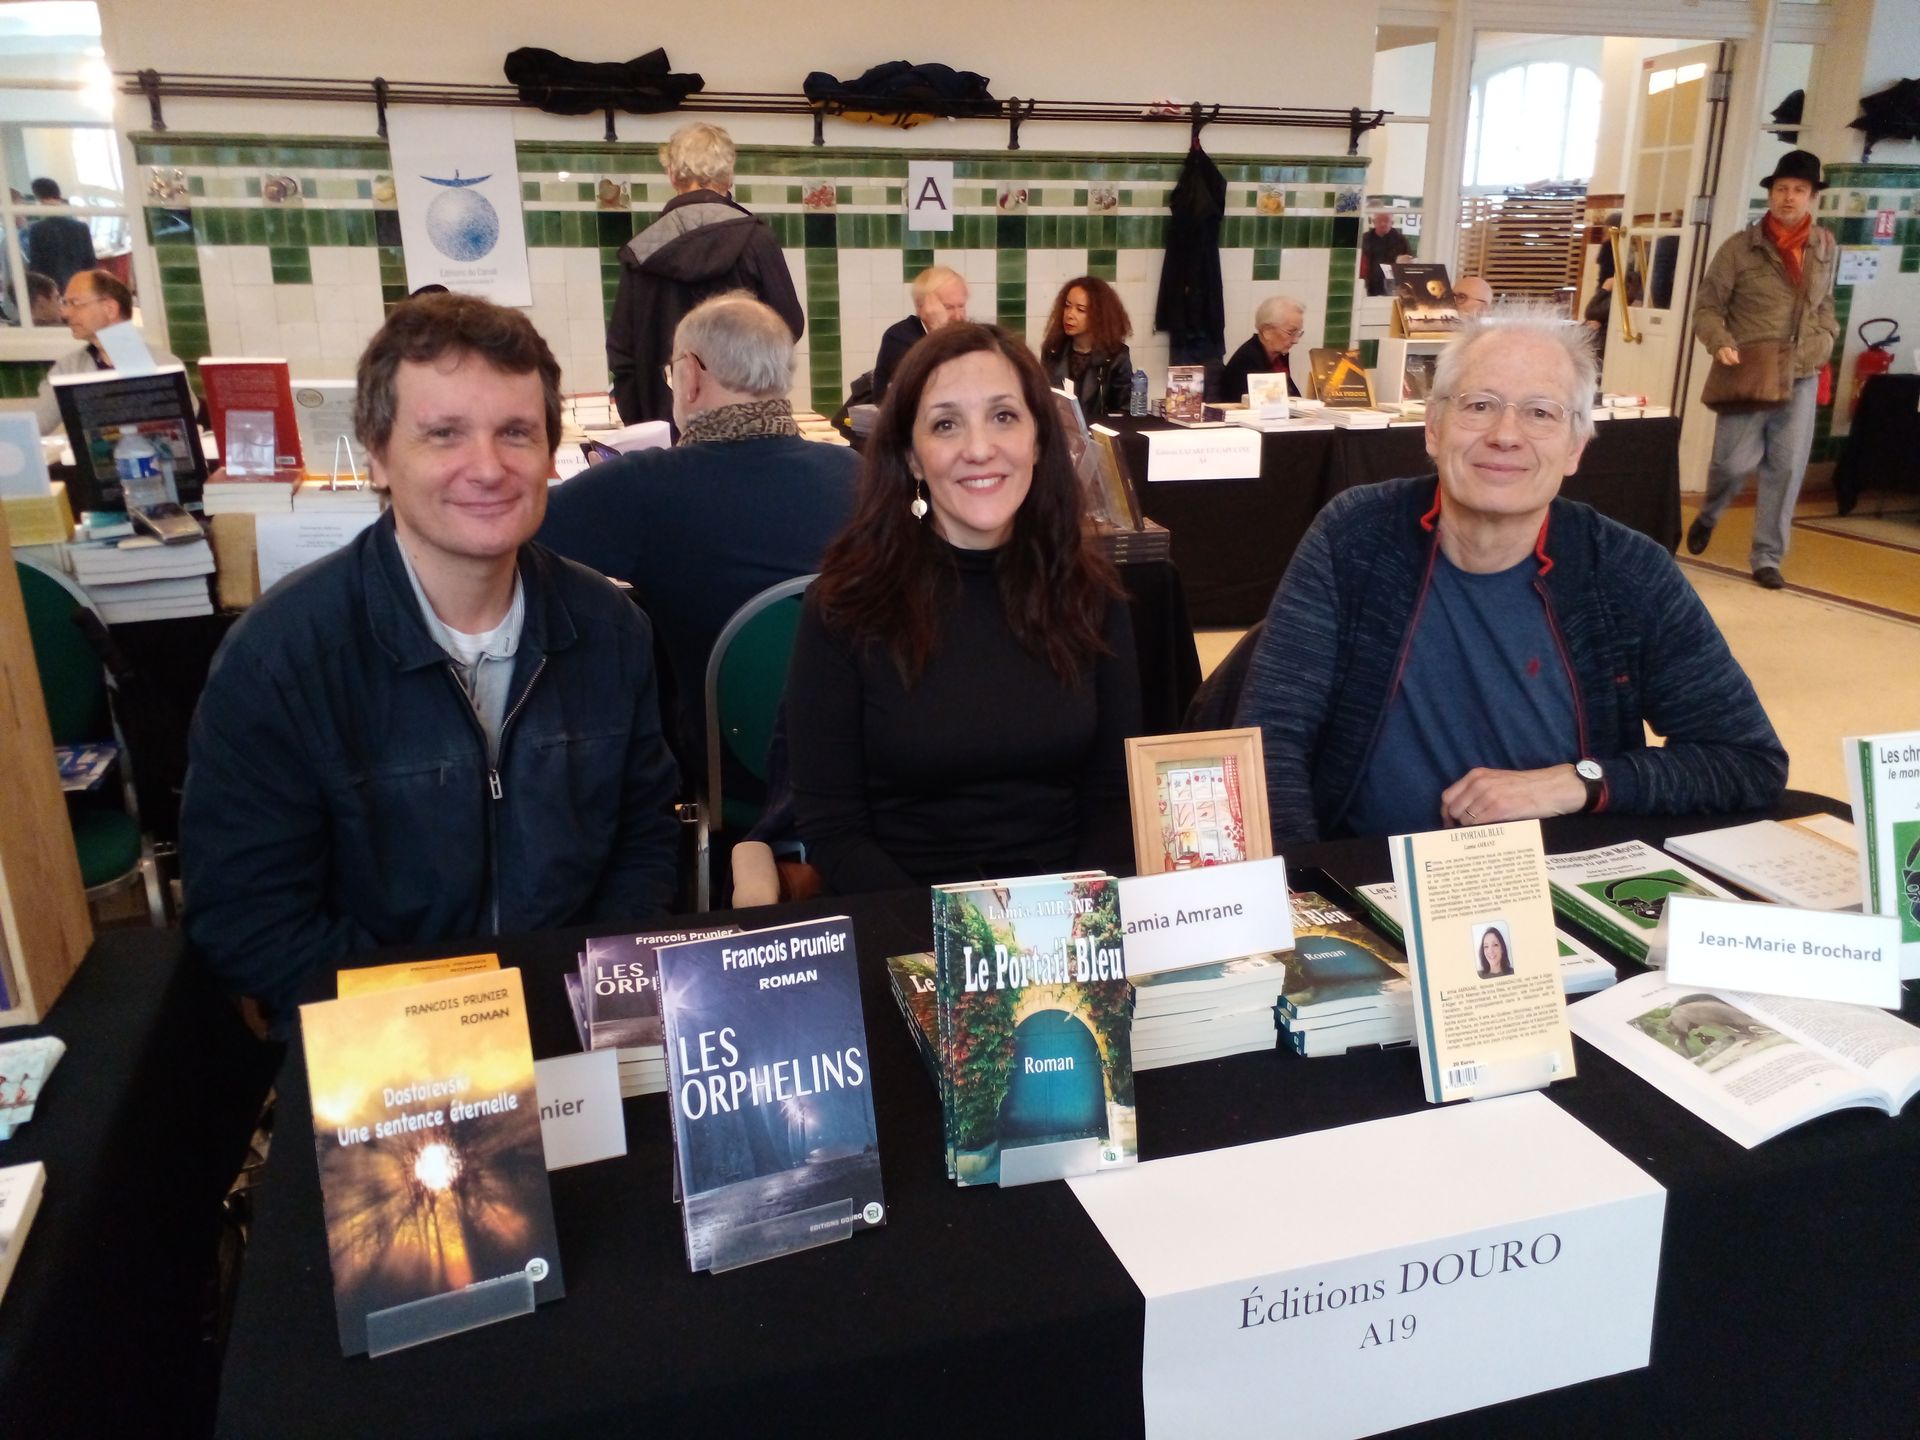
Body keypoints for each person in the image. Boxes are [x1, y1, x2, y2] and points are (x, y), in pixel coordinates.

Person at [181, 293, 682, 1029]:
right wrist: (459, 1030)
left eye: (516, 432)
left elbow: (644, 842)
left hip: (572, 1012)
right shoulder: (279, 660)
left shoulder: (612, 630)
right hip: (384, 1044)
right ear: (378, 455)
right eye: (444, 434)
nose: (487, 468)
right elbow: (251, 919)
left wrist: (584, 998)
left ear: (550, 453)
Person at [1235, 308, 1787, 847]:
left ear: (1575, 447)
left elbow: (1747, 760)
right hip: (1365, 877)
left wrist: (1580, 781)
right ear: (1432, 427)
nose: (1506, 435)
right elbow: (1269, 742)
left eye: (1541, 413)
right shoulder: (1355, 535)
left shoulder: (1626, 571)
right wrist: (1300, 895)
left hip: (1557, 885)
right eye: (1479, 405)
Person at [785, 321, 1143, 892]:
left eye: (1004, 416)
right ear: (912, 458)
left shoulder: (1091, 593)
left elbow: (1113, 800)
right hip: (907, 924)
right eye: (946, 424)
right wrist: (958, 940)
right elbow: (834, 829)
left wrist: (1068, 926)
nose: (979, 449)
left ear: (1038, 440)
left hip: (1069, 924)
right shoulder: (845, 606)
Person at [539, 291, 858, 766]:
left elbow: (510, 530)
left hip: (725, 767)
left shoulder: (644, 485)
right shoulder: (855, 472)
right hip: (856, 764)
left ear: (689, 374)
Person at [1688, 150, 1839, 590]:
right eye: (1781, 189)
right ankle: (1711, 512)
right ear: (1770, 194)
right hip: (1749, 372)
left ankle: (1768, 557)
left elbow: (1825, 304)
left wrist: (1826, 337)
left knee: (1787, 467)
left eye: (1798, 190)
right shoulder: (1739, 247)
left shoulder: (1825, 247)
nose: (1788, 198)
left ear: (1811, 197)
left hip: (1803, 372)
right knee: (1732, 464)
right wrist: (1721, 343)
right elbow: (1707, 308)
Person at [605, 122, 804, 427]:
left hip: (666, 423)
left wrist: (644, 422)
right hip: (746, 421)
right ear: (728, 176)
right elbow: (789, 325)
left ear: (672, 176)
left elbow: (622, 353)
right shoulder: (755, 240)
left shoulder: (642, 250)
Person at [33, 268, 182, 434]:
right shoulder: (68, 368)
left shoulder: (163, 365)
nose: (65, 313)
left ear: (110, 309)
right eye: (65, 304)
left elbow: (179, 425)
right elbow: (36, 425)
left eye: (74, 303)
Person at [1039, 275, 1134, 417]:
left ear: (1099, 315)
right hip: (1060, 432)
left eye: (1080, 310)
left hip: (1100, 435)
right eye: (1067, 306)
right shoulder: (1053, 350)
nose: (1070, 314)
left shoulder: (1116, 356)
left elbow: (1123, 411)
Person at [871, 265, 968, 402]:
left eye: (961, 306)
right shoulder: (899, 337)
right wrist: (938, 330)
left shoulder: (969, 336)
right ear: (921, 307)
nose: (959, 316)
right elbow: (925, 394)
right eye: (948, 307)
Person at [1215, 295, 1306, 402]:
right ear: (1267, 331)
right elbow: (1266, 406)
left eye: (1298, 333)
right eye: (1291, 332)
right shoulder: (1248, 361)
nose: (1296, 340)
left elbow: (1293, 397)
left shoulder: (1277, 358)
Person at [22, 178, 95, 294]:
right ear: (59, 196)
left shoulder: (37, 230)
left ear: (38, 199)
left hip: (52, 291)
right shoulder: (81, 228)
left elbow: (36, 268)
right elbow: (90, 264)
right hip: (80, 288)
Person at [1360, 210, 1411, 297]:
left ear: (1392, 222)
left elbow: (1408, 263)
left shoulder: (1401, 240)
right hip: (1369, 285)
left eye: (1386, 220)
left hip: (1394, 286)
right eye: (1379, 220)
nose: (1383, 224)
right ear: (1373, 222)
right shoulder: (1365, 239)